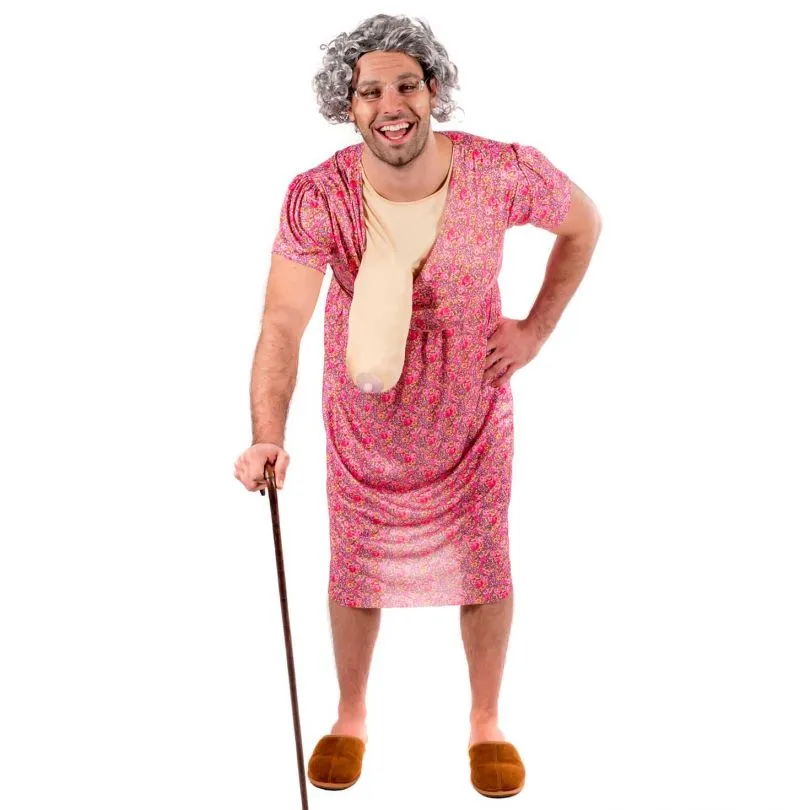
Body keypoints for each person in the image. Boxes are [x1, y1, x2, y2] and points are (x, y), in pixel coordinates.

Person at [233, 13, 601, 799]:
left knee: (484, 560)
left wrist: (535, 330)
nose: (391, 105)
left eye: (407, 84)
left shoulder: (501, 172)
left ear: (434, 90)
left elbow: (583, 224)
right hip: (363, 422)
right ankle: (351, 715)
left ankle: (486, 721)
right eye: (371, 91)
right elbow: (283, 321)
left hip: (472, 412)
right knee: (355, 565)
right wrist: (267, 434)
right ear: (348, 104)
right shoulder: (319, 195)